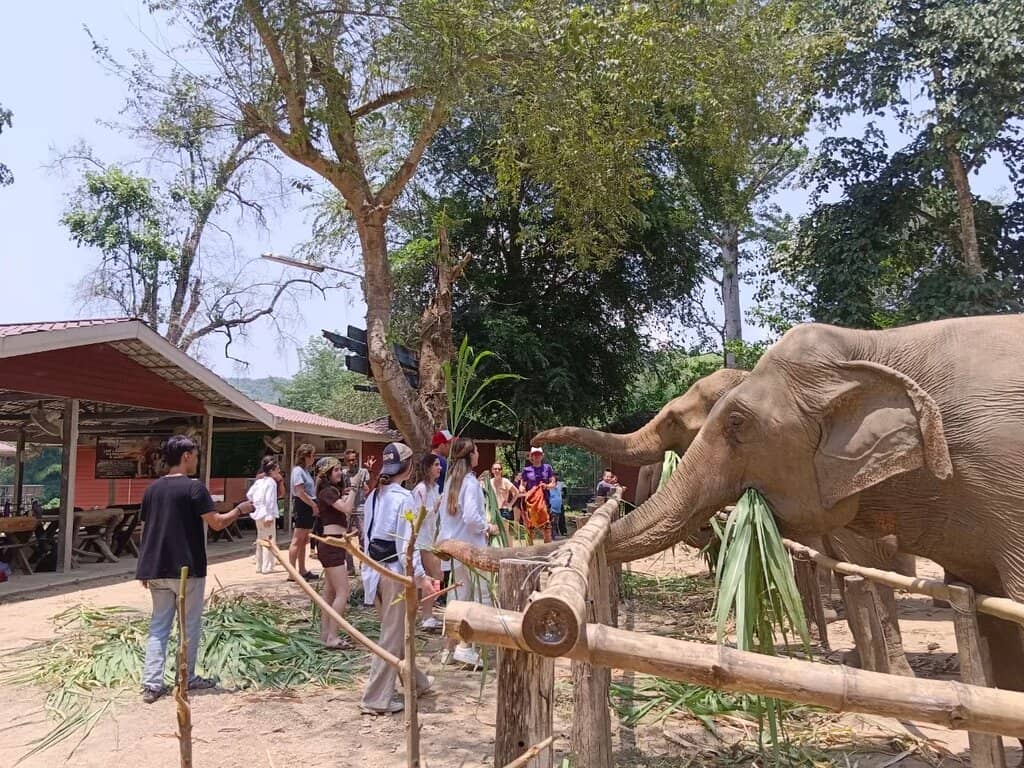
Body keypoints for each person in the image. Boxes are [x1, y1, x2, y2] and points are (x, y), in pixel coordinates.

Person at [136, 435, 254, 704]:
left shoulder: (152, 490)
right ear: (186, 456)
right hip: (187, 568)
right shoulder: (194, 488)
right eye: (195, 455)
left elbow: (146, 532)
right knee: (188, 626)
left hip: (155, 569)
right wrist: (240, 510)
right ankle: (186, 677)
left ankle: (152, 683)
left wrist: (143, 567)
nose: (197, 460)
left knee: (158, 625)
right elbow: (216, 523)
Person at [360, 442, 436, 715]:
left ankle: (417, 682)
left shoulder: (373, 496)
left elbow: (367, 538)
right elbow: (407, 544)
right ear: (408, 467)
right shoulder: (404, 498)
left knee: (398, 632)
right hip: (393, 573)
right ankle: (375, 698)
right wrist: (420, 577)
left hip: (373, 570)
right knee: (392, 637)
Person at [439, 438, 499, 668]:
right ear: (470, 456)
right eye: (475, 451)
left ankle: (450, 648)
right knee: (480, 596)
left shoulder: (452, 482)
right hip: (472, 549)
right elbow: (472, 518)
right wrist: (488, 527)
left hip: (454, 548)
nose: (478, 455)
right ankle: (469, 648)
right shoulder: (470, 483)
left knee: (458, 597)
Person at [314, 457, 356, 649]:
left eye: (340, 469)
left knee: (330, 592)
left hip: (335, 543)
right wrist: (354, 490)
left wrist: (347, 493)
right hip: (332, 545)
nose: (340, 473)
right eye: (336, 470)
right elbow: (347, 509)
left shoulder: (331, 492)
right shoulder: (327, 492)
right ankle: (332, 636)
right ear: (327, 474)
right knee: (343, 591)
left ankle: (325, 634)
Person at [411, 453, 444, 630]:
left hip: (431, 538)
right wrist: (435, 508)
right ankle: (426, 616)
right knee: (433, 576)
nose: (439, 468)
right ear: (427, 467)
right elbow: (418, 515)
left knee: (435, 576)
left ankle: (425, 613)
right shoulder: (421, 489)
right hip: (421, 539)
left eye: (440, 465)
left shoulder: (435, 488)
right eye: (436, 465)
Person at [288, 443, 318, 582]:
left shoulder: (306, 471)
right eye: (312, 456)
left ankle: (302, 569)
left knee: (304, 540)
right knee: (297, 539)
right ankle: (292, 572)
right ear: (305, 456)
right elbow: (300, 492)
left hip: (308, 505)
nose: (313, 458)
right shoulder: (298, 471)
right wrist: (313, 505)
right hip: (303, 505)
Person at [248, 457, 282, 574]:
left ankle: (259, 565)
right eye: (277, 468)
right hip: (267, 513)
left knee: (260, 539)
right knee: (269, 540)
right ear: (272, 470)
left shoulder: (259, 481)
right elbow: (270, 500)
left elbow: (250, 494)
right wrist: (268, 515)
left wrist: (257, 505)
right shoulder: (271, 482)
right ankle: (267, 566)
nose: (279, 470)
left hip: (258, 513)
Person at [342, 449, 373, 576]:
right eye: (349, 460)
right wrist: (345, 491)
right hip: (348, 508)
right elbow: (340, 489)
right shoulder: (343, 474)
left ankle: (363, 564)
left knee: (363, 538)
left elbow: (368, 488)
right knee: (346, 538)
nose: (351, 462)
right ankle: (350, 567)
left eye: (353, 459)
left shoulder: (363, 472)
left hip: (360, 507)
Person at [519, 446, 555, 543]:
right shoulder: (526, 470)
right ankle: (530, 552)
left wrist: (546, 486)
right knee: (530, 529)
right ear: (531, 456)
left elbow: (553, 484)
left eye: (539, 454)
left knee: (547, 528)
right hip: (531, 503)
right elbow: (522, 485)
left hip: (544, 502)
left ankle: (547, 551)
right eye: (534, 454)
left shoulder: (547, 468)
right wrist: (522, 489)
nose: (537, 456)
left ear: (542, 456)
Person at [549, 472, 567, 538]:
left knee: (557, 520)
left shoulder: (560, 485)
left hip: (558, 507)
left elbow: (564, 494)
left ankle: (560, 532)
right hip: (552, 507)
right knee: (553, 521)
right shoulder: (549, 486)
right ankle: (554, 535)